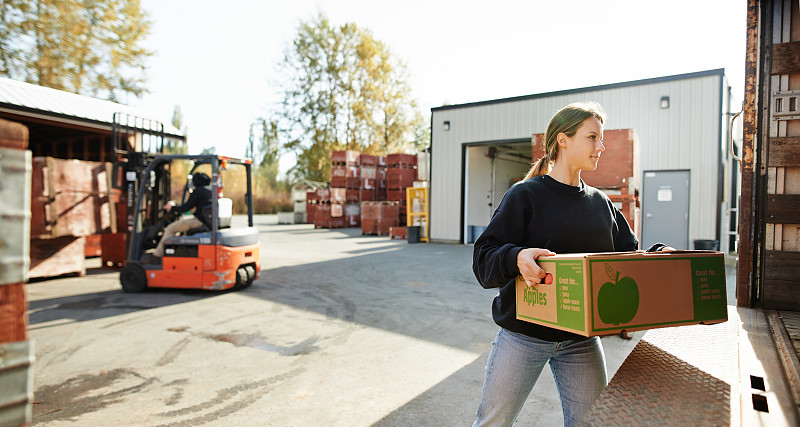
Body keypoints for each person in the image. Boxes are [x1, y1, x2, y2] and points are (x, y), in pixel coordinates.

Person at [472, 102, 669, 426]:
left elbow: (629, 257)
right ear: (563, 140)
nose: (601, 146)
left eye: (601, 139)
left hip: (581, 340)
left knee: (591, 422)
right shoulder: (525, 195)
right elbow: (483, 258)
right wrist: (516, 257)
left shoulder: (601, 204)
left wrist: (659, 255)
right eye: (592, 137)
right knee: (493, 422)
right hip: (524, 335)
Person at [146, 172, 213, 262]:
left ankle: (157, 255)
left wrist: (172, 208)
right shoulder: (210, 190)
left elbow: (185, 208)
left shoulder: (198, 191)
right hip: (206, 220)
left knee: (170, 228)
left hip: (199, 221)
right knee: (181, 223)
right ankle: (172, 251)